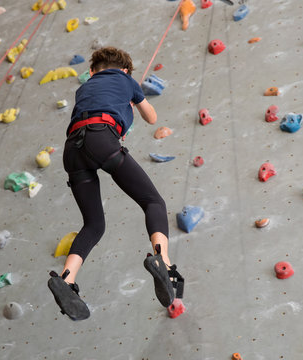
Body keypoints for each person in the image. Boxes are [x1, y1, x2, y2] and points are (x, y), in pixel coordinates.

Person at [47, 47, 184, 320]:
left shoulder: (84, 88)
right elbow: (152, 118)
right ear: (124, 70)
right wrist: (136, 97)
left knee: (94, 224)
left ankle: (66, 279)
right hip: (102, 138)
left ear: (91, 72)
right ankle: (164, 264)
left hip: (72, 151)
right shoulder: (124, 79)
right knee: (153, 202)